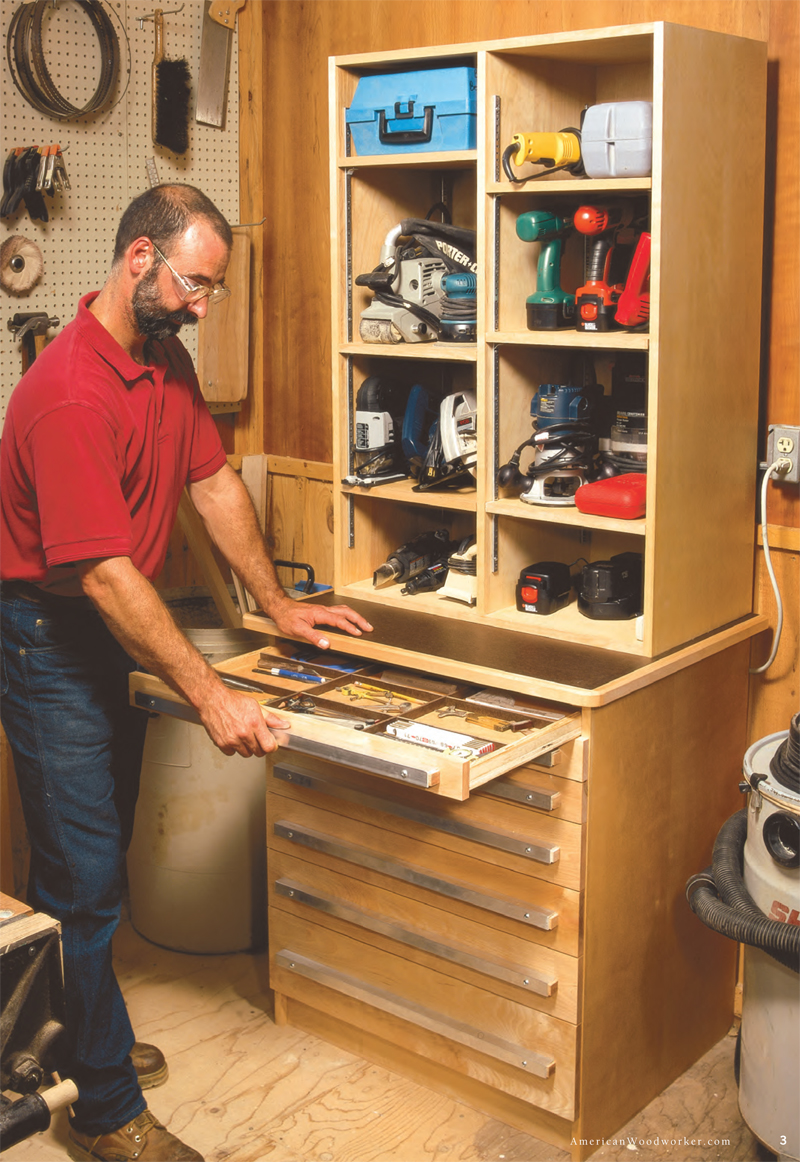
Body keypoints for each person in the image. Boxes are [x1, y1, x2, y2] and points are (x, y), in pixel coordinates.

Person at [0, 184, 372, 1162]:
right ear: (140, 260)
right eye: (195, 284)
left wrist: (276, 605)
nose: (203, 306)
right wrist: (209, 693)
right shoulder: (67, 393)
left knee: (86, 859)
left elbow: (210, 483)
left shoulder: (163, 357)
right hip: (50, 636)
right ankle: (105, 1106)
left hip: (107, 621)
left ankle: (68, 1039)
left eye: (212, 288)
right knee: (83, 879)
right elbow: (104, 573)